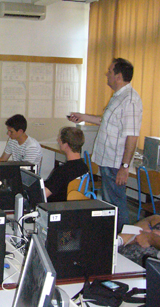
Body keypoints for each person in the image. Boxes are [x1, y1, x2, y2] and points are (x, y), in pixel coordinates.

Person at [69, 58, 142, 231]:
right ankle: (112, 236)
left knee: (116, 205)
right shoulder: (118, 97)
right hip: (107, 160)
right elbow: (106, 121)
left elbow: (132, 136)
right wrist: (83, 117)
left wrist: (125, 167)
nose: (106, 74)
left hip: (116, 164)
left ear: (118, 76)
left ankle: (121, 239)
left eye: (110, 72)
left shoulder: (130, 100)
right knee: (110, 204)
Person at [44, 127, 89, 202]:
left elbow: (43, 195)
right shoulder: (84, 167)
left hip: (56, 205)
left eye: (60, 139)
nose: (58, 141)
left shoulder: (62, 171)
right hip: (72, 205)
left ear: (66, 145)